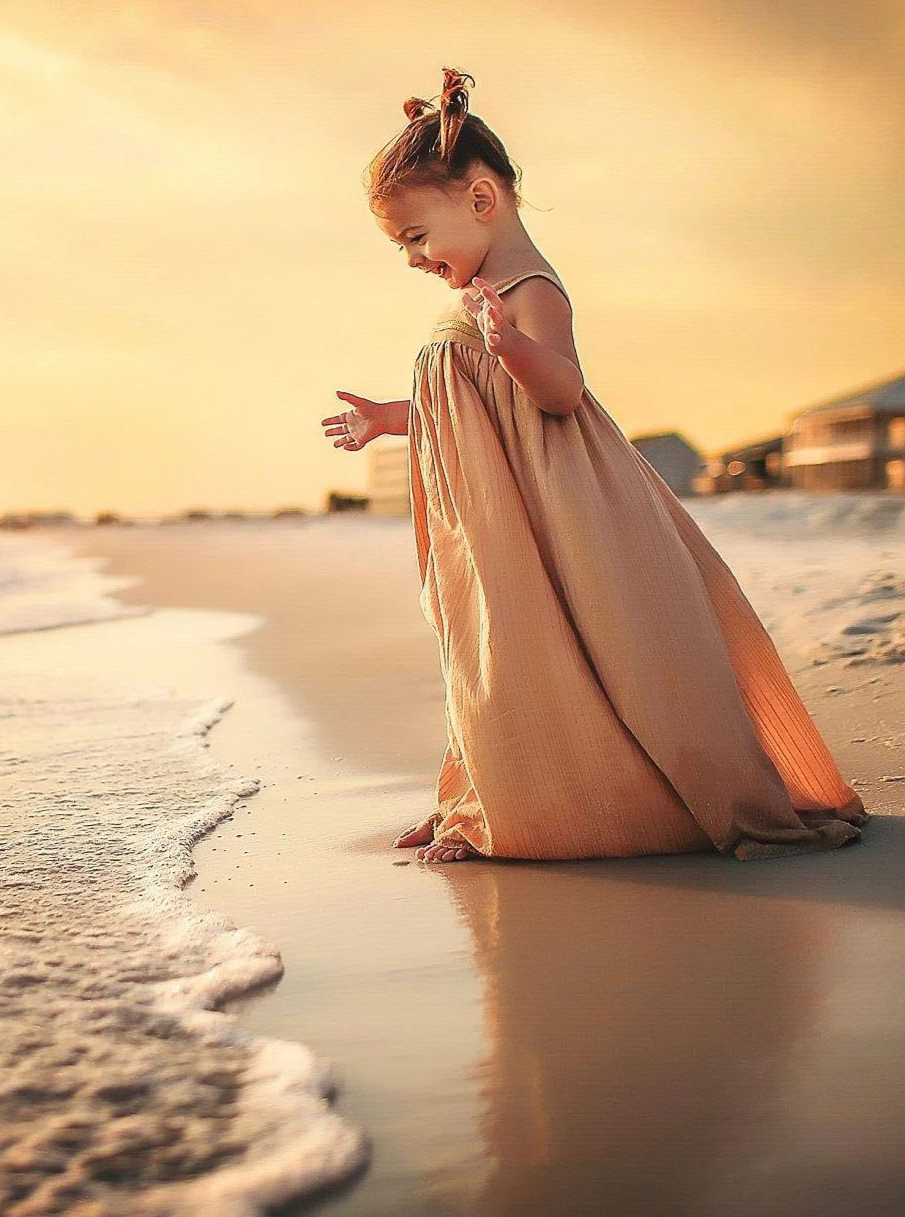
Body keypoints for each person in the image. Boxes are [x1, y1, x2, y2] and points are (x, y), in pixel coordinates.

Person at [321, 69, 868, 865]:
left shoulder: (530, 291)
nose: (410, 258)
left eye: (414, 237)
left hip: (558, 501)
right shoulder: (475, 299)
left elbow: (560, 390)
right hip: (500, 513)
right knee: (497, 649)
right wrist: (386, 417)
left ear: (482, 199)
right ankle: (495, 795)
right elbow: (466, 404)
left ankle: (594, 804)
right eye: (400, 245)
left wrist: (515, 345)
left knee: (588, 645)